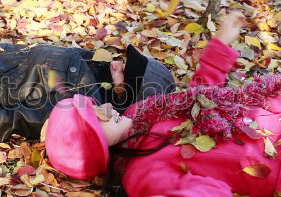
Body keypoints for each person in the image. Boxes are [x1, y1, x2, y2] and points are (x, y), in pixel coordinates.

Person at [45, 12, 281, 196]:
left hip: (270, 107)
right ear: (95, 147)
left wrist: (219, 45)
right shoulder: (141, 172)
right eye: (97, 118)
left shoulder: (142, 113)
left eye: (98, 106)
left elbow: (199, 98)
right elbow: (198, 191)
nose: (106, 109)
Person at [0, 37, 174, 141]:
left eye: (125, 72)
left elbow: (4, 119)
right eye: (124, 60)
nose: (117, 63)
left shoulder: (78, 106)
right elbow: (17, 50)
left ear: (126, 95)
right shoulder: (92, 62)